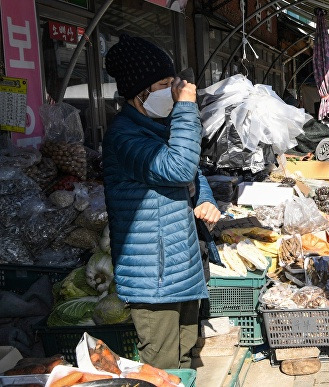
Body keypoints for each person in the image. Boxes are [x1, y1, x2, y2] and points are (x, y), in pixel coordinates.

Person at [102, 34, 221, 369]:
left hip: (180, 264)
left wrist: (206, 199)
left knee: (185, 356)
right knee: (164, 364)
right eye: (165, 84)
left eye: (175, 83)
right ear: (139, 93)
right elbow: (179, 167)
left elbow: (192, 171)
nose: (174, 90)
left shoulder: (157, 126)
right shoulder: (125, 137)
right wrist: (185, 107)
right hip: (154, 275)